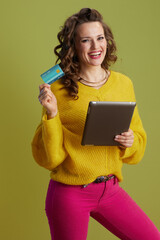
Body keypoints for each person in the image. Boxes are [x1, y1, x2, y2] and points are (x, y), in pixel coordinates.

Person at [31, 8, 160, 240]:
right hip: (69, 194)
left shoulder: (123, 84)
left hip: (110, 190)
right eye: (86, 40)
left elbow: (137, 150)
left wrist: (129, 142)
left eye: (99, 38)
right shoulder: (58, 89)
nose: (95, 47)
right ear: (74, 46)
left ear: (107, 41)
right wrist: (51, 116)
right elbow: (50, 159)